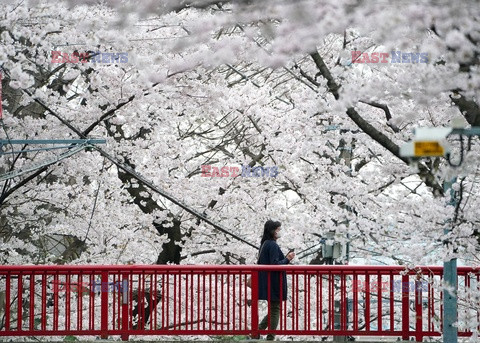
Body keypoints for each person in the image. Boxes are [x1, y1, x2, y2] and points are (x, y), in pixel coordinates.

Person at [252, 220, 295, 341]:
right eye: (278, 230)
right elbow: (275, 264)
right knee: (275, 309)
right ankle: (270, 336)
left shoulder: (265, 243)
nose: (279, 232)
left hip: (267, 280)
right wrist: (287, 259)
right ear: (272, 231)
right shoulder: (272, 245)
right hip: (274, 281)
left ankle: (257, 331)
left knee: (273, 308)